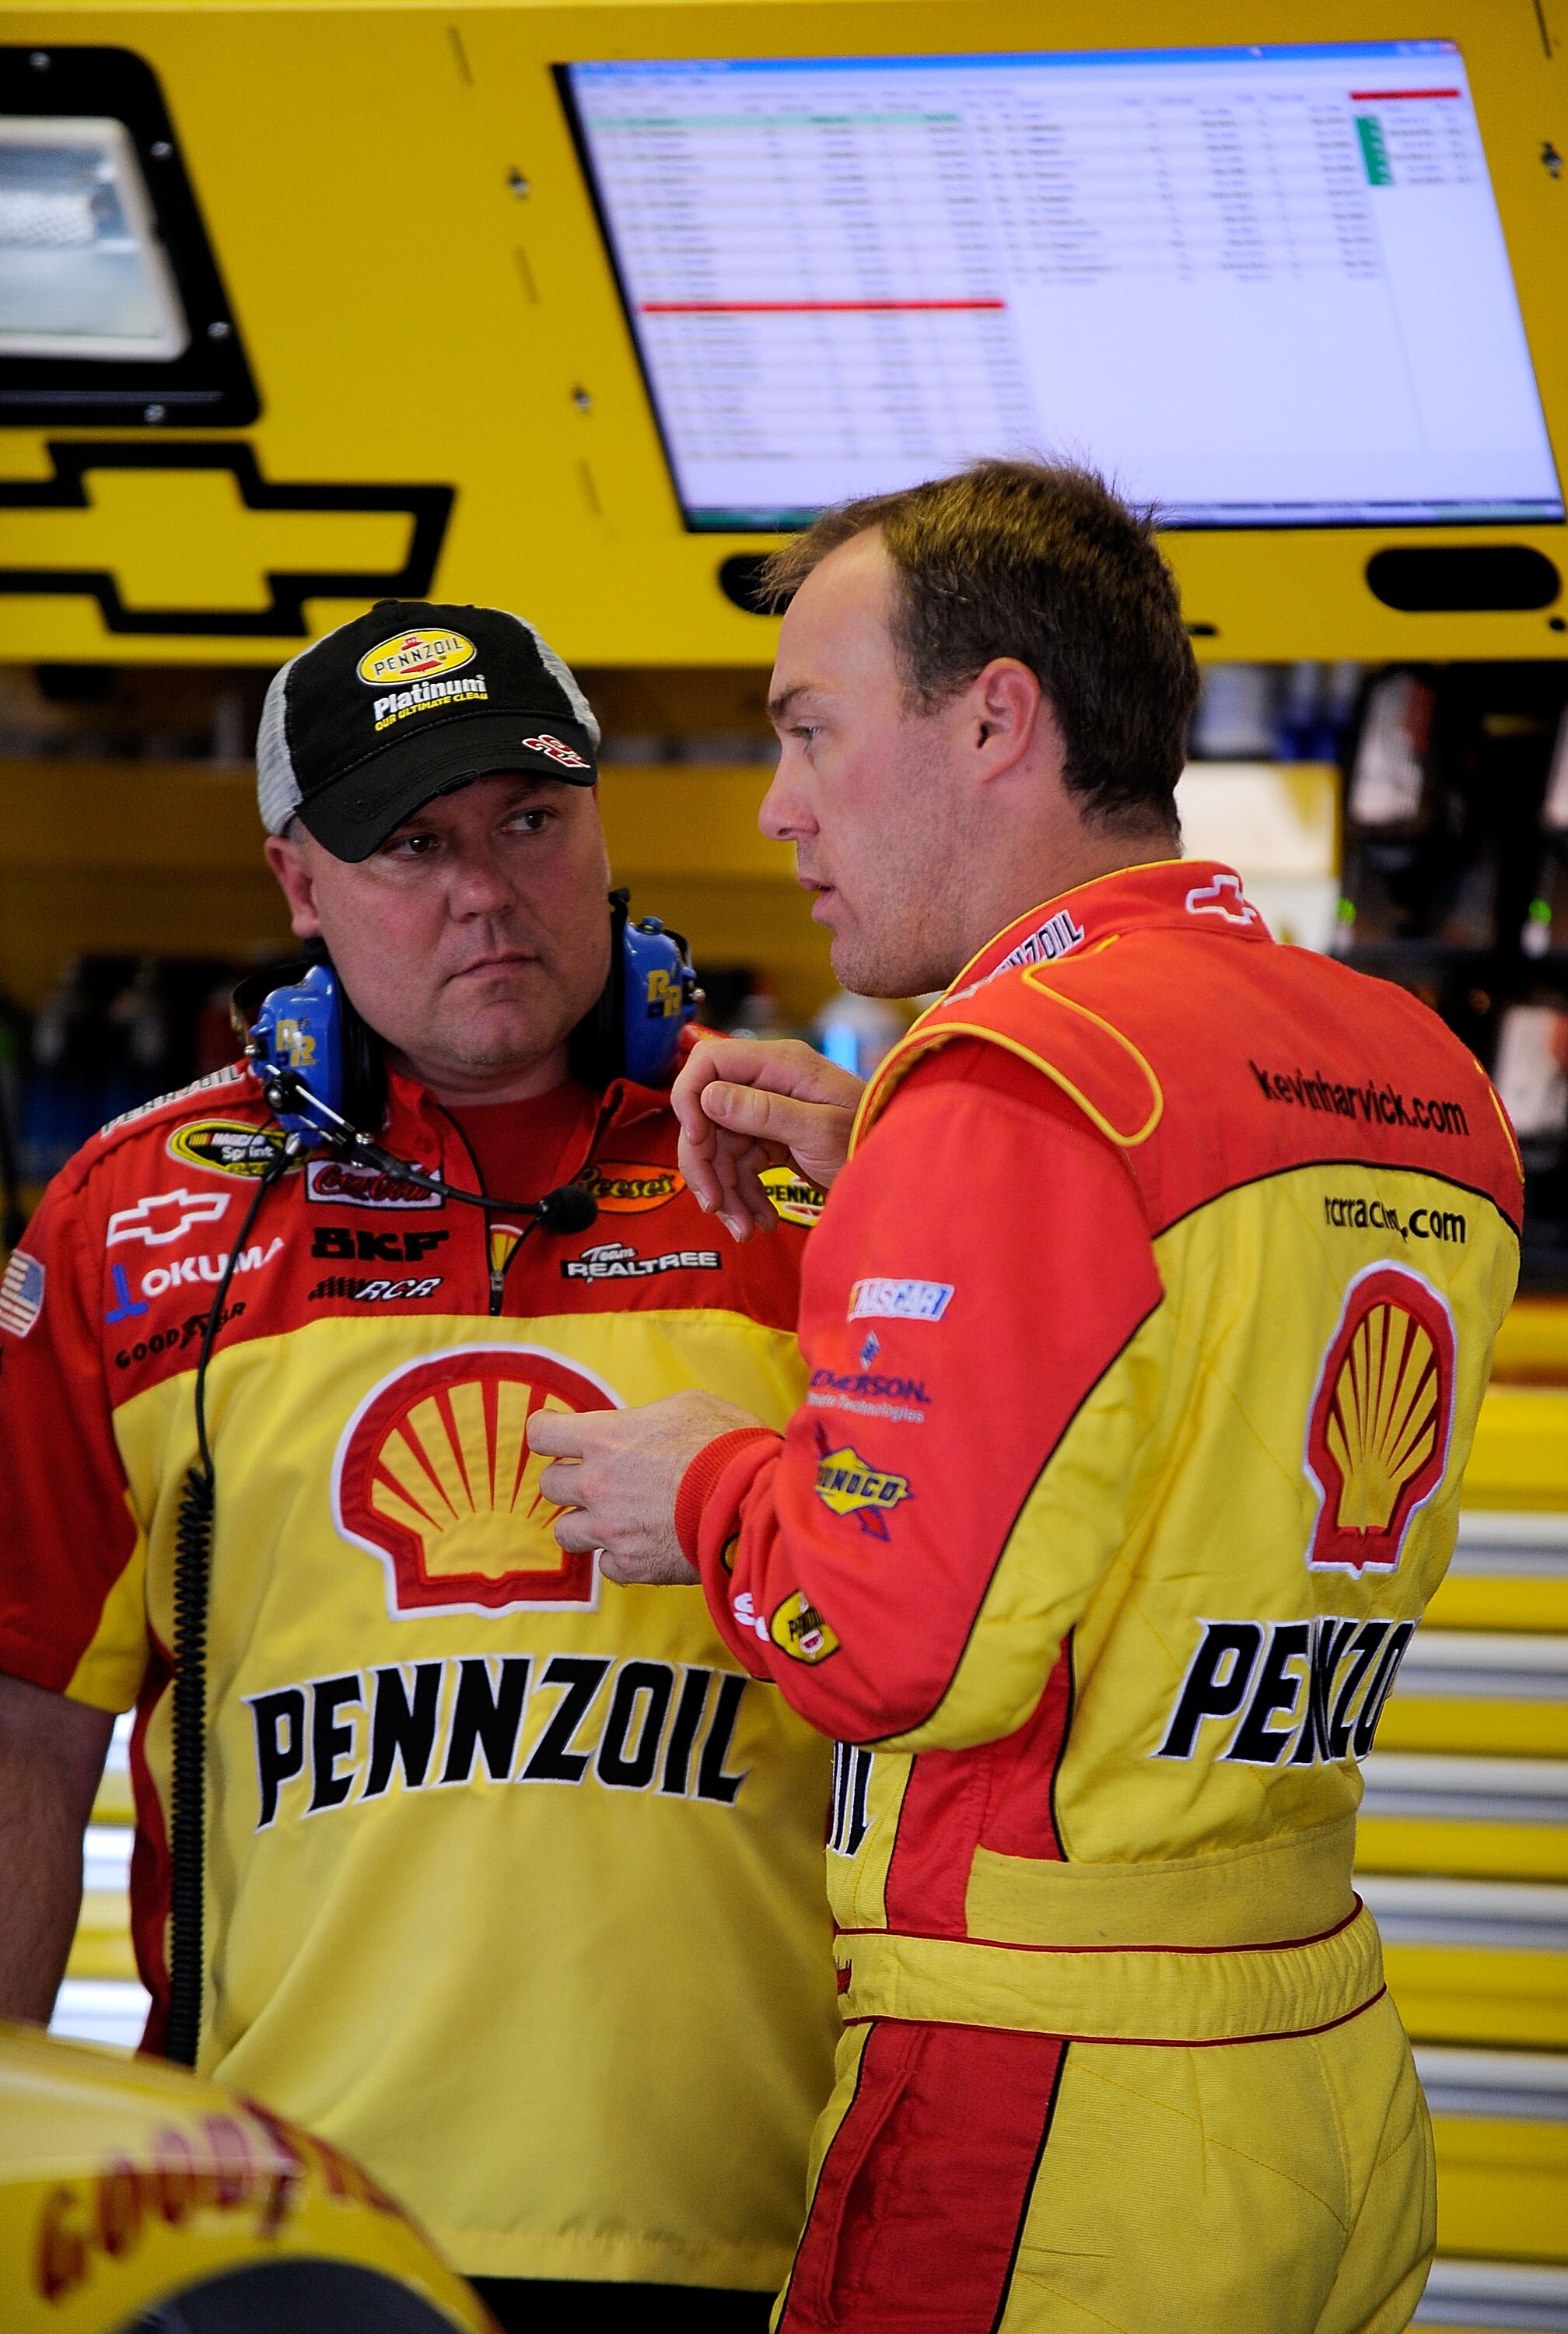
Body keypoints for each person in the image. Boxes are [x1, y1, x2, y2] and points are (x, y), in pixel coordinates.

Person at [526, 466, 1522, 2334]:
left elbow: (896, 1640)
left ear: (998, 717)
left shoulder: (1020, 1081)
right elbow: (1168, 1394)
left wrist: (712, 1493)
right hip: (1320, 2059)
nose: (777, 807)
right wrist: (898, 1168)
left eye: (811, 733)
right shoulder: (1409, 1066)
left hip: (1051, 2107)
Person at [0, 601, 840, 2332]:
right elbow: (24, 1734)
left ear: (604, 825)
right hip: (280, 2239)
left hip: (750, 2221)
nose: (485, 889)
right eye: (411, 844)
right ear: (296, 884)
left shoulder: (813, 1182)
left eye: (531, 824)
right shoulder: (131, 1218)